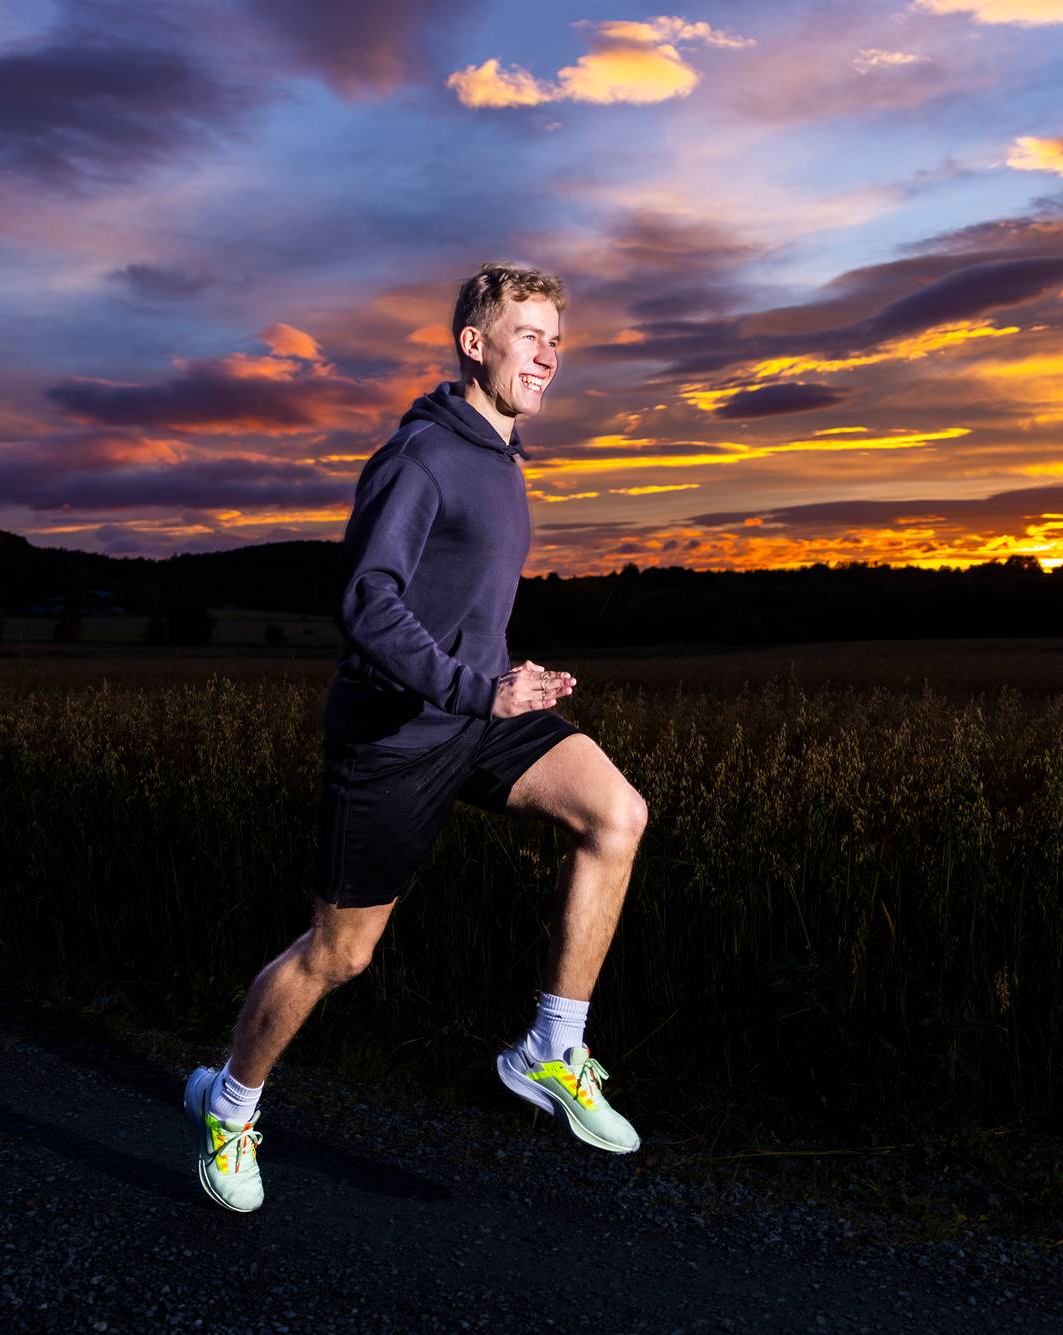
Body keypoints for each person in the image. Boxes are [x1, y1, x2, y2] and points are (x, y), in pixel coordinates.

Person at [183, 261, 650, 1213]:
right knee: (339, 955)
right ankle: (229, 1106)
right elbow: (368, 603)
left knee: (617, 813)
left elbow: (459, 605)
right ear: (475, 345)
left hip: (478, 714)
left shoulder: (500, 457)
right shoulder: (423, 456)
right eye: (530, 333)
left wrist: (512, 681)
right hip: (396, 735)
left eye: (557, 336)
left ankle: (552, 1047)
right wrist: (479, 686)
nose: (549, 352)